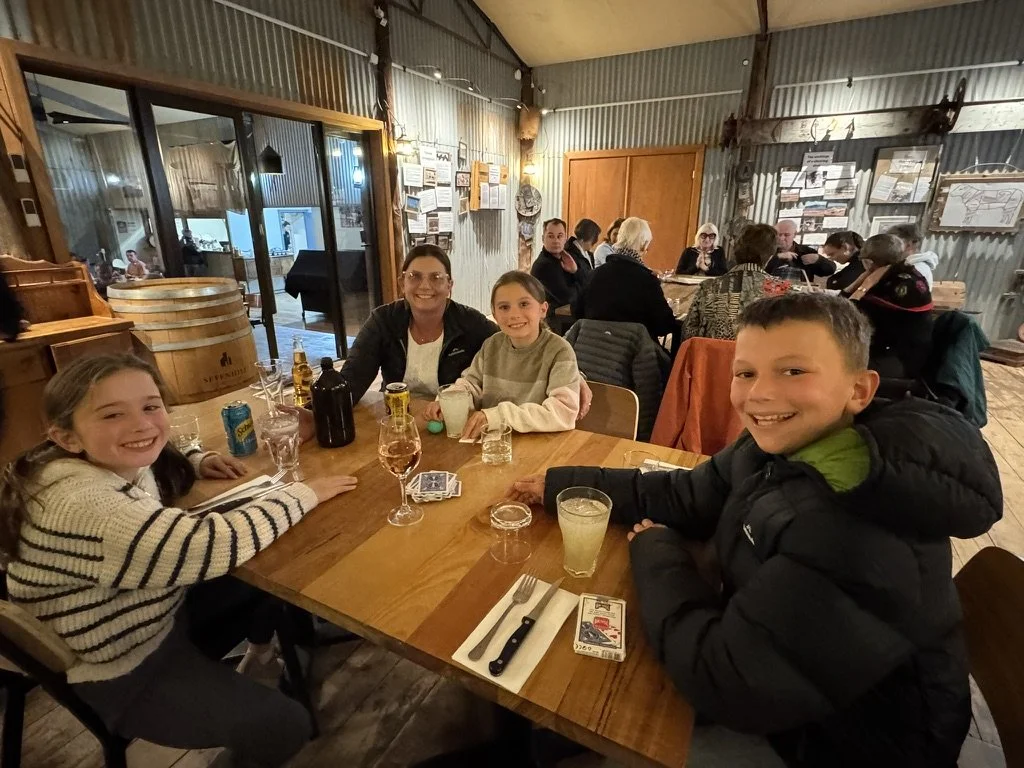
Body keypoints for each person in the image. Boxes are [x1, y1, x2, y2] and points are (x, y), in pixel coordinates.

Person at [510, 292, 1002, 768]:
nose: (760, 393)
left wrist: (657, 549)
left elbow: (724, 680)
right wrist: (561, 485)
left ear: (860, 389)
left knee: (604, 708)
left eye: (794, 370)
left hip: (836, 744)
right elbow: (690, 492)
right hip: (783, 686)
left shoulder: (860, 524)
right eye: (745, 373)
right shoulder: (790, 443)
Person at [0, 354, 359, 767]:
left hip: (151, 610)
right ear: (66, 437)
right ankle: (261, 670)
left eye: (151, 406)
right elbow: (210, 545)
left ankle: (264, 652)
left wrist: (193, 459)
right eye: (112, 414)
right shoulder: (86, 504)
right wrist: (305, 492)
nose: (142, 425)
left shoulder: (85, 461)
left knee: (277, 568)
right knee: (283, 725)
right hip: (125, 666)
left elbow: (153, 451)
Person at [424, 271, 580, 439]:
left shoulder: (559, 351)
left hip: (538, 445)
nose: (514, 314)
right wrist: (449, 401)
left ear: (543, 309)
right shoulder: (492, 345)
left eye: (524, 304)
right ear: (495, 314)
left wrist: (497, 416)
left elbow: (563, 412)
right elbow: (471, 384)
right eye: (504, 307)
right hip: (491, 444)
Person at [339, 244, 497, 402]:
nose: (425, 286)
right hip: (397, 416)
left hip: (450, 416)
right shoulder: (383, 320)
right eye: (415, 276)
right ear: (402, 283)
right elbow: (352, 379)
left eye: (436, 277)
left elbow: (508, 346)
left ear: (449, 285)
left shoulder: (471, 323)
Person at [842, 233, 934, 380]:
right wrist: (858, 283)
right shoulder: (909, 273)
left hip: (899, 362)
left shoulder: (891, 286)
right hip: (908, 353)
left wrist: (863, 287)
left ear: (870, 262)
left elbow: (844, 317)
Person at [573, 217, 677, 344]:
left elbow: (577, 312)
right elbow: (664, 326)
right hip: (634, 357)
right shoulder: (647, 281)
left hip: (594, 353)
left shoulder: (593, 275)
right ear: (644, 245)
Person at [683, 223, 788, 340]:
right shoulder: (781, 291)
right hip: (760, 356)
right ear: (769, 257)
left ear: (735, 252)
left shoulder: (708, 287)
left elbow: (688, 335)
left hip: (714, 357)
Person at [530, 218, 593, 327]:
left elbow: (590, 282)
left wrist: (575, 270)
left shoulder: (569, 257)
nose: (556, 240)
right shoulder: (543, 265)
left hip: (571, 314)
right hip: (553, 321)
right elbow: (568, 297)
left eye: (560, 236)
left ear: (565, 239)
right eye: (550, 236)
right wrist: (580, 285)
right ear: (542, 239)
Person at [765, 220, 836, 281]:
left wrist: (819, 260)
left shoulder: (806, 251)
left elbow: (830, 270)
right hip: (771, 291)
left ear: (795, 234)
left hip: (798, 294)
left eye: (786, 235)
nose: (781, 238)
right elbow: (758, 270)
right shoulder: (766, 251)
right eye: (779, 234)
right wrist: (777, 257)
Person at [887, 222, 938, 289]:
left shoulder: (918, 269)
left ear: (910, 243)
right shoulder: (905, 263)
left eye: (895, 243)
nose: (891, 247)